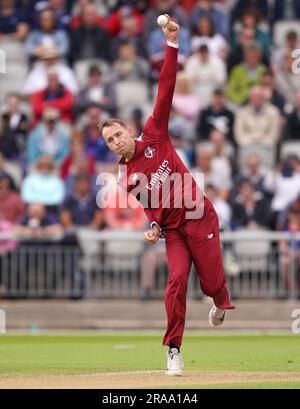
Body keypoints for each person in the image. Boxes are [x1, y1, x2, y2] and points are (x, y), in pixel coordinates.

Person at [99, 18, 235, 377]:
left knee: (211, 285)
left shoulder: (154, 132)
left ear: (127, 131)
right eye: (110, 141)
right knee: (175, 281)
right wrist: (155, 226)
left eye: (117, 135)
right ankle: (173, 349)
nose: (116, 142)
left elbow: (166, 86)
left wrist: (172, 44)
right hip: (174, 230)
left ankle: (221, 302)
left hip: (199, 216)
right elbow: (150, 206)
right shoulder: (127, 179)